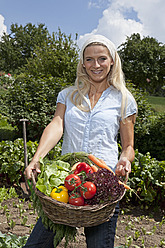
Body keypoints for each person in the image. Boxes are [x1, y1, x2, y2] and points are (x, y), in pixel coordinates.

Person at [24, 34, 137, 248]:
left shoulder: (123, 99)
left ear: (112, 60)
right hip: (68, 181)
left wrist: (125, 160)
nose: (96, 65)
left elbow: (128, 145)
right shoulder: (68, 95)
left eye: (102, 58)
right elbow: (57, 124)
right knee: (36, 245)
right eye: (89, 59)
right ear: (82, 63)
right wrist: (37, 158)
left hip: (104, 184)